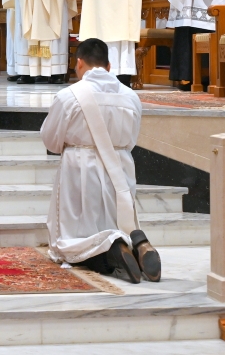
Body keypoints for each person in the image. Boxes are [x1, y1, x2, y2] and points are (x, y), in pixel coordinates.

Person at [42, 38, 160, 284]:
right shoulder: (131, 97)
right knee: (117, 221)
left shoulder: (68, 96)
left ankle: (113, 247)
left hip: (79, 169)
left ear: (79, 63)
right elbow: (132, 140)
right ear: (109, 66)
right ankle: (137, 242)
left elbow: (51, 141)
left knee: (70, 244)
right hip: (120, 170)